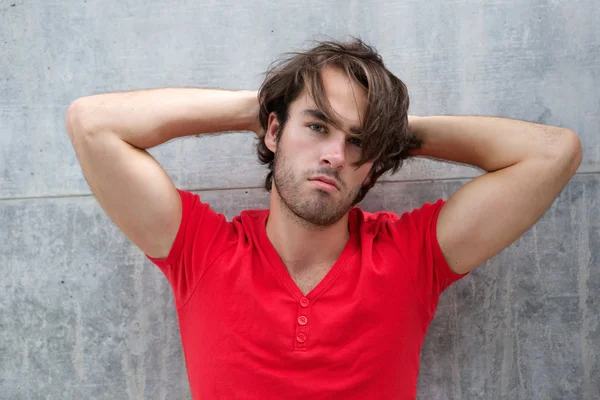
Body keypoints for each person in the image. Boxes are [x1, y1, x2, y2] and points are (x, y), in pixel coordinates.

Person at [65, 38, 582, 399]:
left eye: (357, 142)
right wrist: (272, 101)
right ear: (273, 133)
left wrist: (394, 130)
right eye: (317, 126)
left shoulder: (410, 257)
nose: (335, 154)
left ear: (370, 171)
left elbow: (553, 153)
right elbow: (91, 123)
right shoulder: (203, 251)